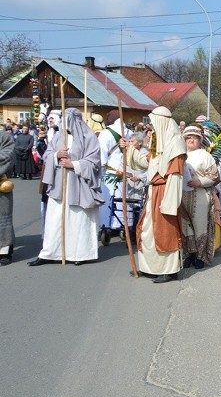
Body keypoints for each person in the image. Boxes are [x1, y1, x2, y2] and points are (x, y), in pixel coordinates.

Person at [29, 108, 105, 266]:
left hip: (79, 184)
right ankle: (50, 253)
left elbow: (94, 162)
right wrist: (56, 156)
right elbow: (47, 155)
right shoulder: (58, 136)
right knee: (54, 219)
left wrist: (74, 164)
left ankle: (80, 253)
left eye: (65, 118)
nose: (62, 122)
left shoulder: (89, 137)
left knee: (78, 220)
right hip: (59, 184)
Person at [121, 106, 187, 283]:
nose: (151, 126)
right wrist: (129, 149)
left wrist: (170, 202)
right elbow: (146, 163)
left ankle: (168, 270)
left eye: (154, 122)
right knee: (147, 231)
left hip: (165, 192)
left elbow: (175, 175)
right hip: (153, 191)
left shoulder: (176, 144)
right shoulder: (159, 141)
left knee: (165, 232)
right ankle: (149, 267)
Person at [180, 125, 220, 269]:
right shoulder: (180, 154)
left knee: (200, 226)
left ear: (199, 140)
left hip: (200, 196)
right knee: (186, 227)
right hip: (182, 196)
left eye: (194, 138)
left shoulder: (205, 155)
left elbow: (215, 177)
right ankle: (188, 255)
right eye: (188, 137)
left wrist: (200, 182)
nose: (191, 140)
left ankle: (200, 256)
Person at [0, 130, 15, 265]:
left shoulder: (4, 136)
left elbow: (8, 155)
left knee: (2, 219)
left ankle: (5, 251)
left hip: (1, 183)